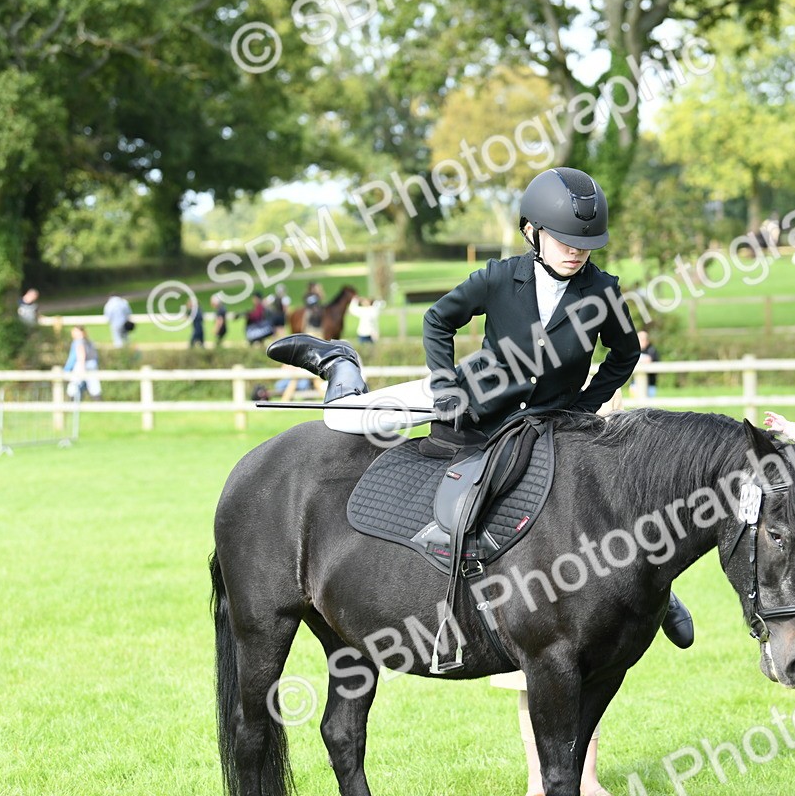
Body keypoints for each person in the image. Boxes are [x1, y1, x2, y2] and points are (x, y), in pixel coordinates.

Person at [267, 166, 692, 795]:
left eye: (585, 244)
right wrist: (444, 384)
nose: (576, 251)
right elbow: (439, 321)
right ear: (532, 231)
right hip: (477, 412)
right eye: (565, 240)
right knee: (359, 425)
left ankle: (662, 597)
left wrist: (585, 403)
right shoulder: (499, 277)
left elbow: (624, 355)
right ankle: (340, 367)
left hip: (555, 425)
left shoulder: (602, 291)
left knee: (607, 509)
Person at [63, 326, 102, 400]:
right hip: (92, 365)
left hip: (82, 365)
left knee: (74, 383)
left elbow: (80, 354)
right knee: (94, 385)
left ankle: (71, 402)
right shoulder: (88, 341)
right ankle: (98, 403)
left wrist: (80, 366)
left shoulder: (78, 342)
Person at [636, 330, 660, 398]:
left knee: (649, 406)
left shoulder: (652, 350)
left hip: (650, 384)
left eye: (644, 339)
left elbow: (657, 364)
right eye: (640, 339)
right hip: (635, 384)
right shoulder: (633, 351)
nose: (642, 341)